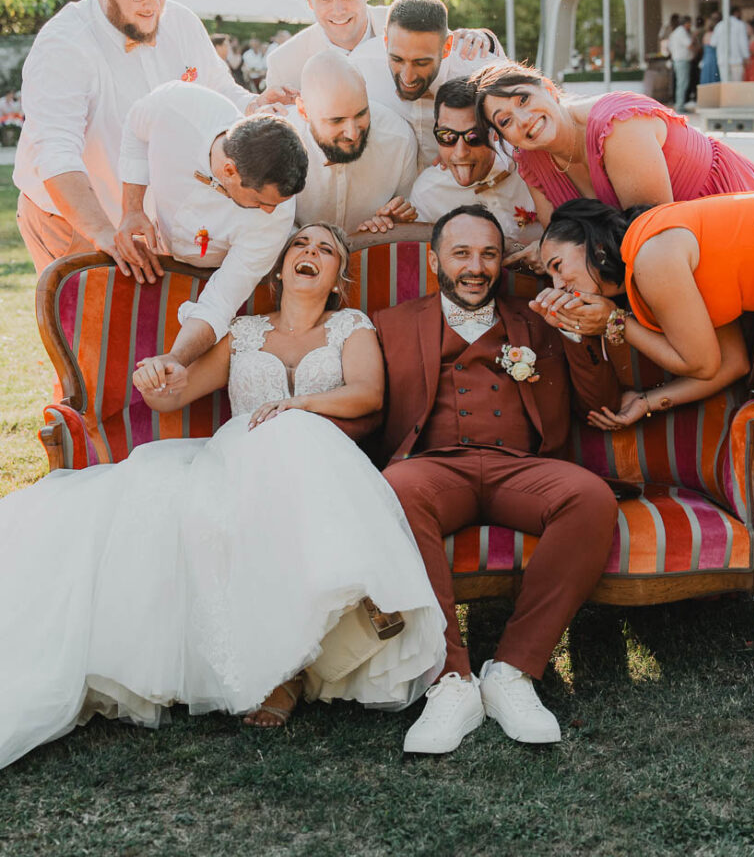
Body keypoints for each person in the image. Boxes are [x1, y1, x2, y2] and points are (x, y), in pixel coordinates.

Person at [0, 223, 446, 769]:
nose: (311, 253)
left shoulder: (350, 326)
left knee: (297, 435)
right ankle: (338, 610)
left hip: (322, 457)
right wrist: (158, 381)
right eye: (300, 246)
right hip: (239, 458)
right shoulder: (246, 331)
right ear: (279, 270)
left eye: (326, 250)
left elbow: (366, 393)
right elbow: (179, 393)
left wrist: (299, 406)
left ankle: (308, 649)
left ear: (337, 280)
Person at [373, 205, 621, 754]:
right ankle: (450, 682)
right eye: (461, 253)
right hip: (434, 468)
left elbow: (598, 402)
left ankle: (513, 669)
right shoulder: (389, 324)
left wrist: (579, 335)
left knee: (589, 496)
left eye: (488, 253)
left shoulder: (536, 318)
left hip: (519, 468)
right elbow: (368, 408)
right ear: (435, 257)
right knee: (394, 491)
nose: (476, 266)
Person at [14, 0, 256, 280]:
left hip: (151, 220)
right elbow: (57, 155)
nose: (153, 5)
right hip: (73, 220)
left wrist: (258, 105)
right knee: (94, 332)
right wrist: (103, 234)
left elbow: (222, 90)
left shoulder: (182, 22)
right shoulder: (63, 45)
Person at [472, 61, 754, 268]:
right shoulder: (531, 160)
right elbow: (561, 236)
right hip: (665, 259)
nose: (523, 120)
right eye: (506, 120)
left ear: (548, 89)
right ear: (503, 136)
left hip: (728, 218)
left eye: (523, 99)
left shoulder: (615, 126)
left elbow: (653, 233)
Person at [116, 80, 307, 374]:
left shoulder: (277, 217)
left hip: (213, 278)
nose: (271, 211)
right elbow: (135, 124)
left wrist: (176, 359)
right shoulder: (178, 106)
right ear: (230, 170)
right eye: (261, 201)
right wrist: (132, 208)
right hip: (155, 260)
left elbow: (220, 301)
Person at [531, 194, 754, 429]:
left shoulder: (651, 257)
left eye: (558, 266)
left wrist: (614, 321)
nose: (558, 285)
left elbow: (702, 365)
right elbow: (733, 363)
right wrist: (645, 403)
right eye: (551, 278)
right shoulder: (649, 249)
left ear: (594, 242)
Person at [264, 0, 491, 105]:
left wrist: (483, 39)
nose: (338, 9)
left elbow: (453, 53)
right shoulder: (284, 65)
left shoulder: (400, 24)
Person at [354, 0, 503, 171]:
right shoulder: (360, 66)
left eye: (421, 62)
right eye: (397, 59)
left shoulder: (483, 73)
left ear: (446, 47)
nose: (407, 77)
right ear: (386, 40)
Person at [286, 51, 418, 234]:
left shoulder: (399, 139)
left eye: (361, 114)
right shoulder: (277, 146)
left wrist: (394, 224)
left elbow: (405, 213)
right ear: (303, 111)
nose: (353, 133)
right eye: (337, 120)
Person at [409, 77, 541, 248]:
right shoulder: (428, 193)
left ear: (495, 132)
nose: (460, 153)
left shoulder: (530, 163)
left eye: (474, 136)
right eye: (447, 136)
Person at [712, 6, 750, 82]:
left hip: (722, 61)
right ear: (736, 13)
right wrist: (746, 57)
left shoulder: (719, 25)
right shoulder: (740, 25)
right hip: (736, 61)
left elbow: (713, 43)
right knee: (736, 86)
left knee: (726, 86)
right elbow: (743, 43)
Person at [668, 15, 693, 111]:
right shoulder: (682, 32)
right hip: (682, 60)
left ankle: (679, 104)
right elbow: (689, 45)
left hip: (677, 60)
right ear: (686, 23)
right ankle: (680, 105)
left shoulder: (675, 32)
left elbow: (669, 47)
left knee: (680, 83)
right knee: (683, 83)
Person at [698, 14, 721, 85]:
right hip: (714, 58)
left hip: (706, 58)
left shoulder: (705, 35)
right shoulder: (715, 35)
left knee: (707, 75)